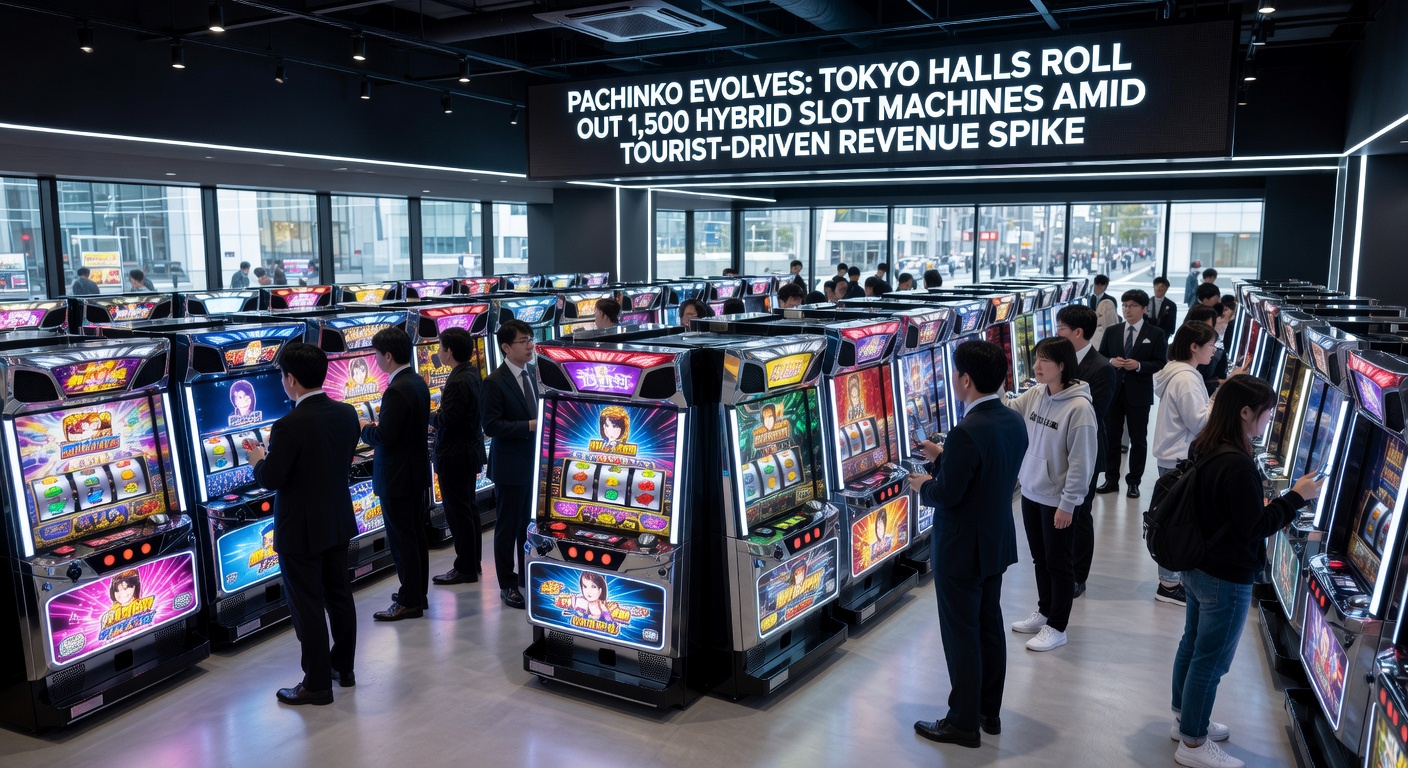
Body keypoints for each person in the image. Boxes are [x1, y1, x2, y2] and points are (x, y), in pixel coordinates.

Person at [1167, 374, 1322, 768]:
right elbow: (1255, 526)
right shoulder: (1236, 463)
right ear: (1245, 412)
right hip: (1225, 574)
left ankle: (1185, 719)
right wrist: (1295, 498)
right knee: (1211, 659)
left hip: (1199, 565)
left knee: (1192, 644)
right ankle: (1194, 744)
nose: (1269, 420)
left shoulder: (1209, 445)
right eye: (1267, 413)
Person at [907, 340, 1028, 749]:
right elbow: (984, 474)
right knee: (989, 627)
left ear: (966, 379)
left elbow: (948, 495)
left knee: (961, 634)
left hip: (961, 547)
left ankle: (961, 723)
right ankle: (987, 712)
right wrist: (944, 456)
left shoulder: (966, 431)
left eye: (954, 373)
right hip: (995, 540)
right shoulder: (1012, 420)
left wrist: (925, 483)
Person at [246, 342, 361, 706]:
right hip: (338, 518)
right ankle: (343, 669)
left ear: (290, 379)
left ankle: (316, 684)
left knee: (307, 605)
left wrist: (257, 458)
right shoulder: (346, 412)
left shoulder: (288, 425)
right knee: (339, 597)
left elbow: (272, 478)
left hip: (300, 530)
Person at [1005, 337, 1097, 652]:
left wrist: (1068, 504)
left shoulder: (1079, 407)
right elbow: (1008, 411)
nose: (1036, 366)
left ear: (1062, 365)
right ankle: (1044, 611)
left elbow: (1082, 463)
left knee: (1060, 564)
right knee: (1040, 559)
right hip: (1031, 492)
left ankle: (1057, 626)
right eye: (1036, 359)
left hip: (1058, 501)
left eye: (1044, 360)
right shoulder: (1036, 393)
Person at [359, 327, 433, 621]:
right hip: (414, 472)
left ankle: (409, 600)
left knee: (403, 541)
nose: (376, 359)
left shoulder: (396, 389)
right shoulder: (416, 381)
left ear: (387, 355)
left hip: (396, 477)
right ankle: (417, 593)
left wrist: (363, 427)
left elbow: (386, 437)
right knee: (415, 538)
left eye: (377, 354)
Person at [1150, 322, 1219, 608]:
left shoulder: (1176, 372)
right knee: (1176, 523)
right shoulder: (1187, 378)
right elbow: (1199, 422)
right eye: (1210, 345)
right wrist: (1219, 398)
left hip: (1172, 455)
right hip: (1180, 456)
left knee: (1172, 518)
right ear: (1194, 346)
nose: (1214, 352)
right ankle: (1168, 584)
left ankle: (1170, 579)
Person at [1055, 304, 1115, 599]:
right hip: (1055, 449)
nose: (1056, 333)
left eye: (1061, 329)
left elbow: (1095, 414)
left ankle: (1079, 576)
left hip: (1086, 450)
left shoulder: (1101, 367)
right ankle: (1061, 569)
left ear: (1077, 332)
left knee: (1079, 514)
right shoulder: (1058, 360)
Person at [482, 319, 538, 609]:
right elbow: (491, 426)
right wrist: (528, 426)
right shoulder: (494, 381)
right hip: (510, 466)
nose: (529, 345)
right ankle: (506, 584)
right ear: (506, 347)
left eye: (530, 338)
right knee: (506, 527)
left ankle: (524, 575)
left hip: (534, 464)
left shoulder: (534, 374)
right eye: (522, 341)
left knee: (526, 527)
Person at [1096, 289, 1168, 499]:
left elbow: (1160, 362)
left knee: (1138, 439)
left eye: (1133, 305)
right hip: (1114, 393)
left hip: (1139, 394)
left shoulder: (1155, 333)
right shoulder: (1113, 331)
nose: (1128, 309)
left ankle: (1134, 482)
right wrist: (1111, 362)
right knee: (1112, 438)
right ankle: (1110, 479)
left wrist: (1138, 365)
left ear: (1144, 309)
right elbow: (1101, 356)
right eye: (1125, 305)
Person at [431, 327, 487, 587]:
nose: (438, 352)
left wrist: (429, 416)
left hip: (455, 456)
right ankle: (472, 562)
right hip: (469, 451)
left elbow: (448, 421)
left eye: (440, 347)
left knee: (458, 512)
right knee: (468, 509)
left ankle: (464, 566)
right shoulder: (471, 372)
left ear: (449, 351)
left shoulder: (457, 380)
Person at [1089, 275, 1119, 349]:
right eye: (1094, 285)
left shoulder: (1110, 300)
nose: (1094, 287)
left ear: (1103, 286)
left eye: (1096, 285)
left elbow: (1113, 317)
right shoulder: (1091, 298)